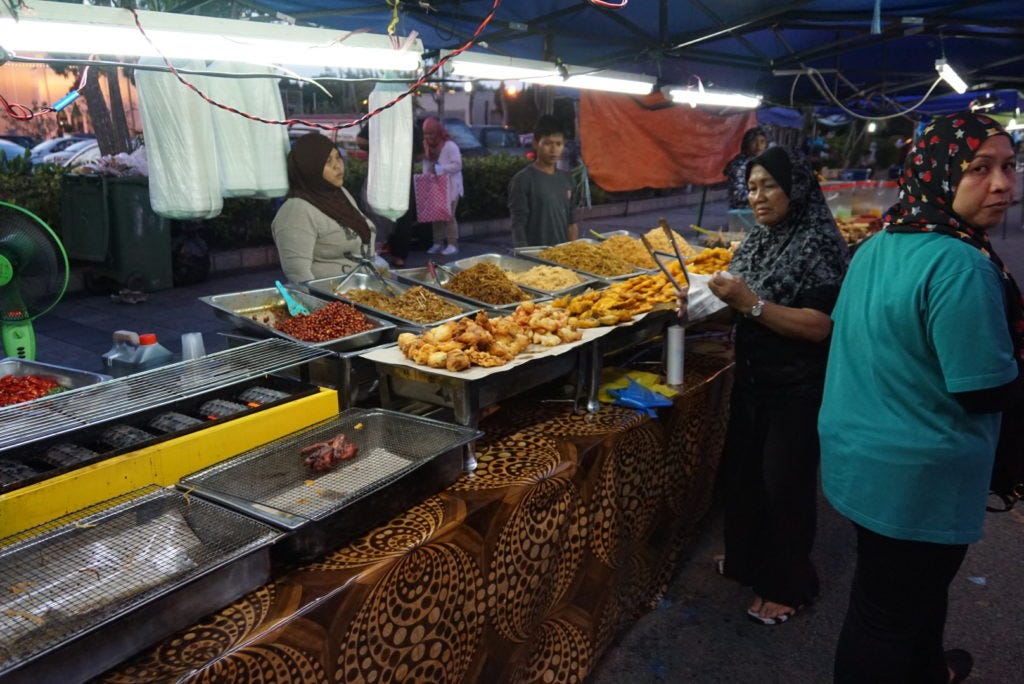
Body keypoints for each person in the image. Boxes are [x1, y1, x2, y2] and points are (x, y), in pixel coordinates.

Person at [818, 112, 1021, 683]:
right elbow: (984, 390)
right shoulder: (960, 264)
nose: (1002, 185)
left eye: (1009, 166)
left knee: (908, 599)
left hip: (861, 458)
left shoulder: (880, 243)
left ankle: (929, 672)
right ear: (939, 172)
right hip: (916, 478)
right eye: (979, 169)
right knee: (883, 618)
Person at [706, 145, 849, 626]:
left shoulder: (819, 243)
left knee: (783, 484)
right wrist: (706, 306)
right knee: (743, 474)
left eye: (769, 185)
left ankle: (789, 585)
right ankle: (746, 560)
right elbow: (741, 303)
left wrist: (749, 303)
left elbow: (819, 325)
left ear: (796, 188)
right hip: (754, 378)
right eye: (751, 187)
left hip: (796, 387)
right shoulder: (761, 238)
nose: (758, 197)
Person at [271, 132, 375, 283]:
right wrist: (322, 298)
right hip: (330, 295)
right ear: (310, 167)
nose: (337, 165)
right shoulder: (296, 210)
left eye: (338, 157)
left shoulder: (340, 194)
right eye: (327, 161)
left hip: (363, 290)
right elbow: (298, 275)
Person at [507, 114, 580, 247]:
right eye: (547, 143)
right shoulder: (522, 180)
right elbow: (518, 226)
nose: (553, 150)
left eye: (558, 144)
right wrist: (524, 254)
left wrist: (574, 250)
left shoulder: (567, 179)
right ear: (535, 143)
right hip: (536, 256)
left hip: (563, 256)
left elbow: (572, 223)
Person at [421, 116, 463, 256]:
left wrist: (441, 169)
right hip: (435, 185)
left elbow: (457, 165)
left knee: (449, 215)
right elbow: (426, 163)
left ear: (437, 132)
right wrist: (426, 175)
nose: (428, 137)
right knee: (436, 215)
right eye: (426, 134)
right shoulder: (426, 146)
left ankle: (452, 244)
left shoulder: (450, 146)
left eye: (431, 133)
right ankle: (437, 242)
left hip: (451, 186)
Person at [723, 127, 768, 209]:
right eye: (754, 141)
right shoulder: (739, 165)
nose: (759, 146)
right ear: (747, 143)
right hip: (743, 210)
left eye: (762, 142)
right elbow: (739, 194)